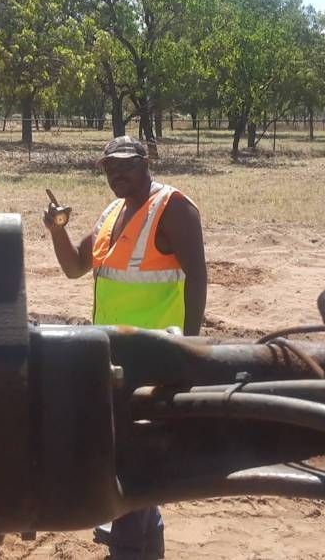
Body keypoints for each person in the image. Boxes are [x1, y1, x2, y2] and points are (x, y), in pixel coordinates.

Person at [42, 135, 207, 560]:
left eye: (125, 165)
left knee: (133, 462)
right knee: (128, 459)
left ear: (146, 162)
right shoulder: (113, 211)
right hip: (111, 357)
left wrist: (188, 348)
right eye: (109, 167)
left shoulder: (173, 208)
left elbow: (199, 278)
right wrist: (57, 231)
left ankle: (127, 550)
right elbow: (75, 268)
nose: (116, 173)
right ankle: (143, 548)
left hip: (153, 358)